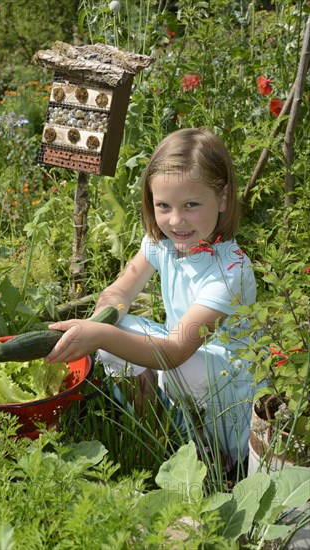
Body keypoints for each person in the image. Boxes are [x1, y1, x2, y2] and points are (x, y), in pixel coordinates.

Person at [46, 127, 257, 466]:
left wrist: (100, 333)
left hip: (226, 389)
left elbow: (175, 352)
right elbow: (119, 290)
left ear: (222, 199)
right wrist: (104, 318)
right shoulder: (161, 244)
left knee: (145, 352)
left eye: (191, 204)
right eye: (163, 205)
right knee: (120, 328)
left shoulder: (230, 273)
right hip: (182, 371)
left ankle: (219, 459)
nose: (176, 220)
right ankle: (165, 436)